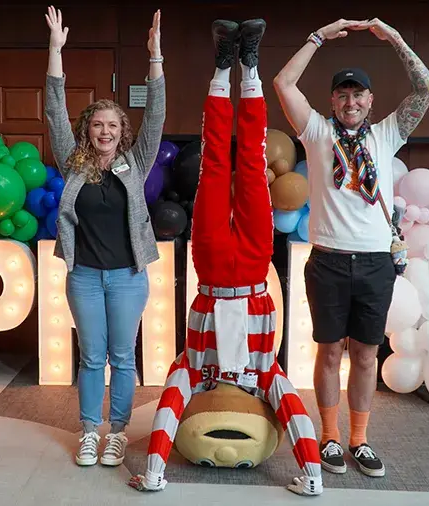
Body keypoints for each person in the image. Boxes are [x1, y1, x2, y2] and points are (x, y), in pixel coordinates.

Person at [129, 19, 324, 497]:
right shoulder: (251, 373)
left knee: (234, 160)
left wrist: (155, 471)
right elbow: (289, 403)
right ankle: (243, 64)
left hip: (224, 274)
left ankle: (233, 64)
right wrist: (312, 477)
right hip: (239, 274)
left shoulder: (196, 370)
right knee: (238, 161)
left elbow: (174, 400)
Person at [273, 18, 429, 477]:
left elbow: (427, 87)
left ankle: (359, 440)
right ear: (332, 100)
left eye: (358, 94)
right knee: (328, 352)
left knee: (366, 353)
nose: (350, 101)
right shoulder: (316, 133)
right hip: (326, 260)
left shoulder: (387, 134)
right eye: (342, 94)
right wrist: (318, 37)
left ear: (370, 100)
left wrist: (397, 39)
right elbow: (283, 82)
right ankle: (328, 436)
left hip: (374, 264)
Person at [44, 6, 165, 467]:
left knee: (124, 357)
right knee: (92, 358)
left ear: (122, 132)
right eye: (97, 124)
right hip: (86, 278)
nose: (105, 131)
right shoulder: (72, 164)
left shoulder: (135, 165)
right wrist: (56, 51)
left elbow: (156, 115)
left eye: (113, 125)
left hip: (128, 278)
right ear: (87, 131)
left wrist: (155, 57)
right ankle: (90, 432)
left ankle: (118, 432)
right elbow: (54, 110)